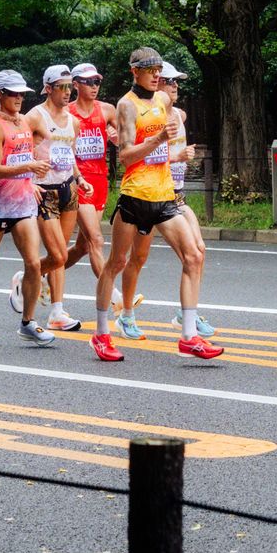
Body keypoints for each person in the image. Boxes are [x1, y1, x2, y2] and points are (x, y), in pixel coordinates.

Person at [89, 48, 222, 363]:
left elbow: (177, 118)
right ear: (135, 71)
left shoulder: (162, 101)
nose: (156, 75)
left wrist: (173, 143)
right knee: (117, 263)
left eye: (159, 70)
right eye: (150, 70)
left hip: (164, 195)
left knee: (193, 256)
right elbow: (125, 155)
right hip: (135, 195)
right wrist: (159, 138)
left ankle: (189, 335)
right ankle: (101, 333)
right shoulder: (126, 105)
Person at [122, 62, 218, 339]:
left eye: (177, 82)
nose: (175, 87)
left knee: (196, 253)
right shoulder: (147, 115)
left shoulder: (180, 115)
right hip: (148, 194)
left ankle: (186, 312)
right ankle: (126, 313)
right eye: (169, 81)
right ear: (156, 84)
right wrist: (177, 157)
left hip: (176, 195)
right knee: (137, 258)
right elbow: (140, 151)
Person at [0, 70, 55, 347]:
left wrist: (31, 182)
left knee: (33, 264)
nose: (18, 98)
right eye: (13, 93)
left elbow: (28, 153)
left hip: (24, 204)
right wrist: (28, 168)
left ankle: (28, 323)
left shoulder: (25, 122)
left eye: (22, 94)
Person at [13, 65, 88, 332]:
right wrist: (28, 179)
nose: (68, 92)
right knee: (57, 256)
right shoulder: (35, 117)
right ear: (48, 88)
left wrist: (79, 179)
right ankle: (27, 278)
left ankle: (56, 312)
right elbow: (17, 147)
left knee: (61, 254)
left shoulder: (73, 120)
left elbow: (70, 155)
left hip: (68, 188)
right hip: (44, 192)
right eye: (62, 87)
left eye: (70, 87)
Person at [58, 62, 117, 316]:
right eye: (89, 82)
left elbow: (122, 135)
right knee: (96, 239)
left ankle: (37, 272)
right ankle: (115, 297)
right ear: (76, 84)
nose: (95, 86)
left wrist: (117, 136)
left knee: (82, 247)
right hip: (78, 181)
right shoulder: (67, 113)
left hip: (101, 181)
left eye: (97, 82)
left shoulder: (107, 110)